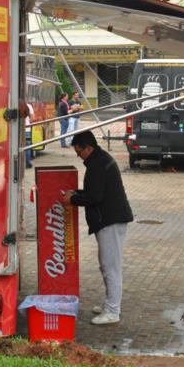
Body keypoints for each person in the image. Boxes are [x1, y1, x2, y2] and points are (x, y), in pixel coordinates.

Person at [61, 130, 133, 325]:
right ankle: (110, 304)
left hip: (110, 221)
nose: (78, 155)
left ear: (89, 147)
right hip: (108, 220)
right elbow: (95, 191)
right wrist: (75, 192)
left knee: (111, 267)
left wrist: (73, 199)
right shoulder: (97, 160)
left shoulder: (98, 164)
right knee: (106, 265)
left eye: (79, 151)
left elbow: (95, 197)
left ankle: (112, 311)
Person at [24, 102, 35, 168]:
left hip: (16, 131)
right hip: (27, 129)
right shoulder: (28, 106)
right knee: (27, 147)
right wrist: (29, 122)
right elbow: (32, 118)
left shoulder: (13, 104)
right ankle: (27, 163)